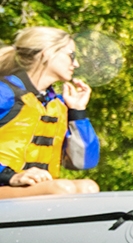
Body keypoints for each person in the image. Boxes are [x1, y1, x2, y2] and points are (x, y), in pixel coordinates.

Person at [0, 26, 101, 198]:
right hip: (7, 184)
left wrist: (78, 112)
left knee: (89, 188)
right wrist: (10, 176)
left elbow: (84, 161)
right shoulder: (5, 93)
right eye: (71, 56)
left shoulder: (58, 104)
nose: (75, 64)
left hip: (27, 194)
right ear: (46, 53)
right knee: (60, 190)